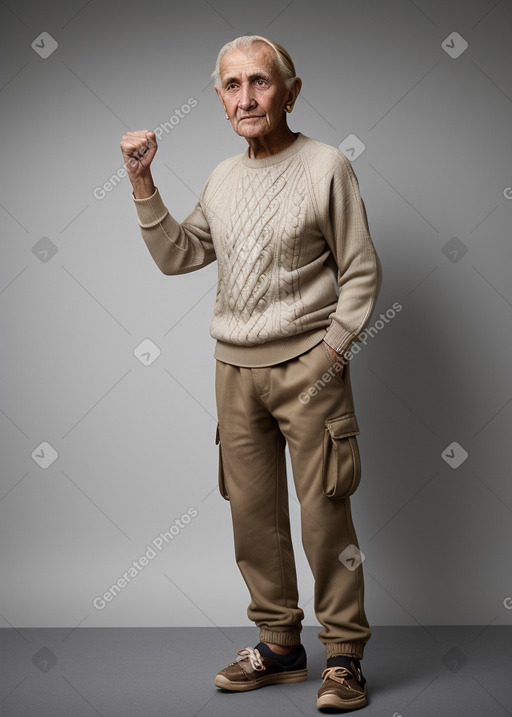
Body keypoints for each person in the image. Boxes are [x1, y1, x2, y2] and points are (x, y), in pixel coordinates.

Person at [120, 34, 382, 712]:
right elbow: (181, 254)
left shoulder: (327, 166)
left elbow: (359, 271)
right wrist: (143, 182)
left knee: (325, 515)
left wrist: (331, 351)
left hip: (311, 370)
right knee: (252, 516)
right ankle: (280, 646)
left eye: (260, 83)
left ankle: (345, 655)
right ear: (219, 99)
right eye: (232, 86)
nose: (246, 98)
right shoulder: (222, 178)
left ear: (290, 91)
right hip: (234, 371)